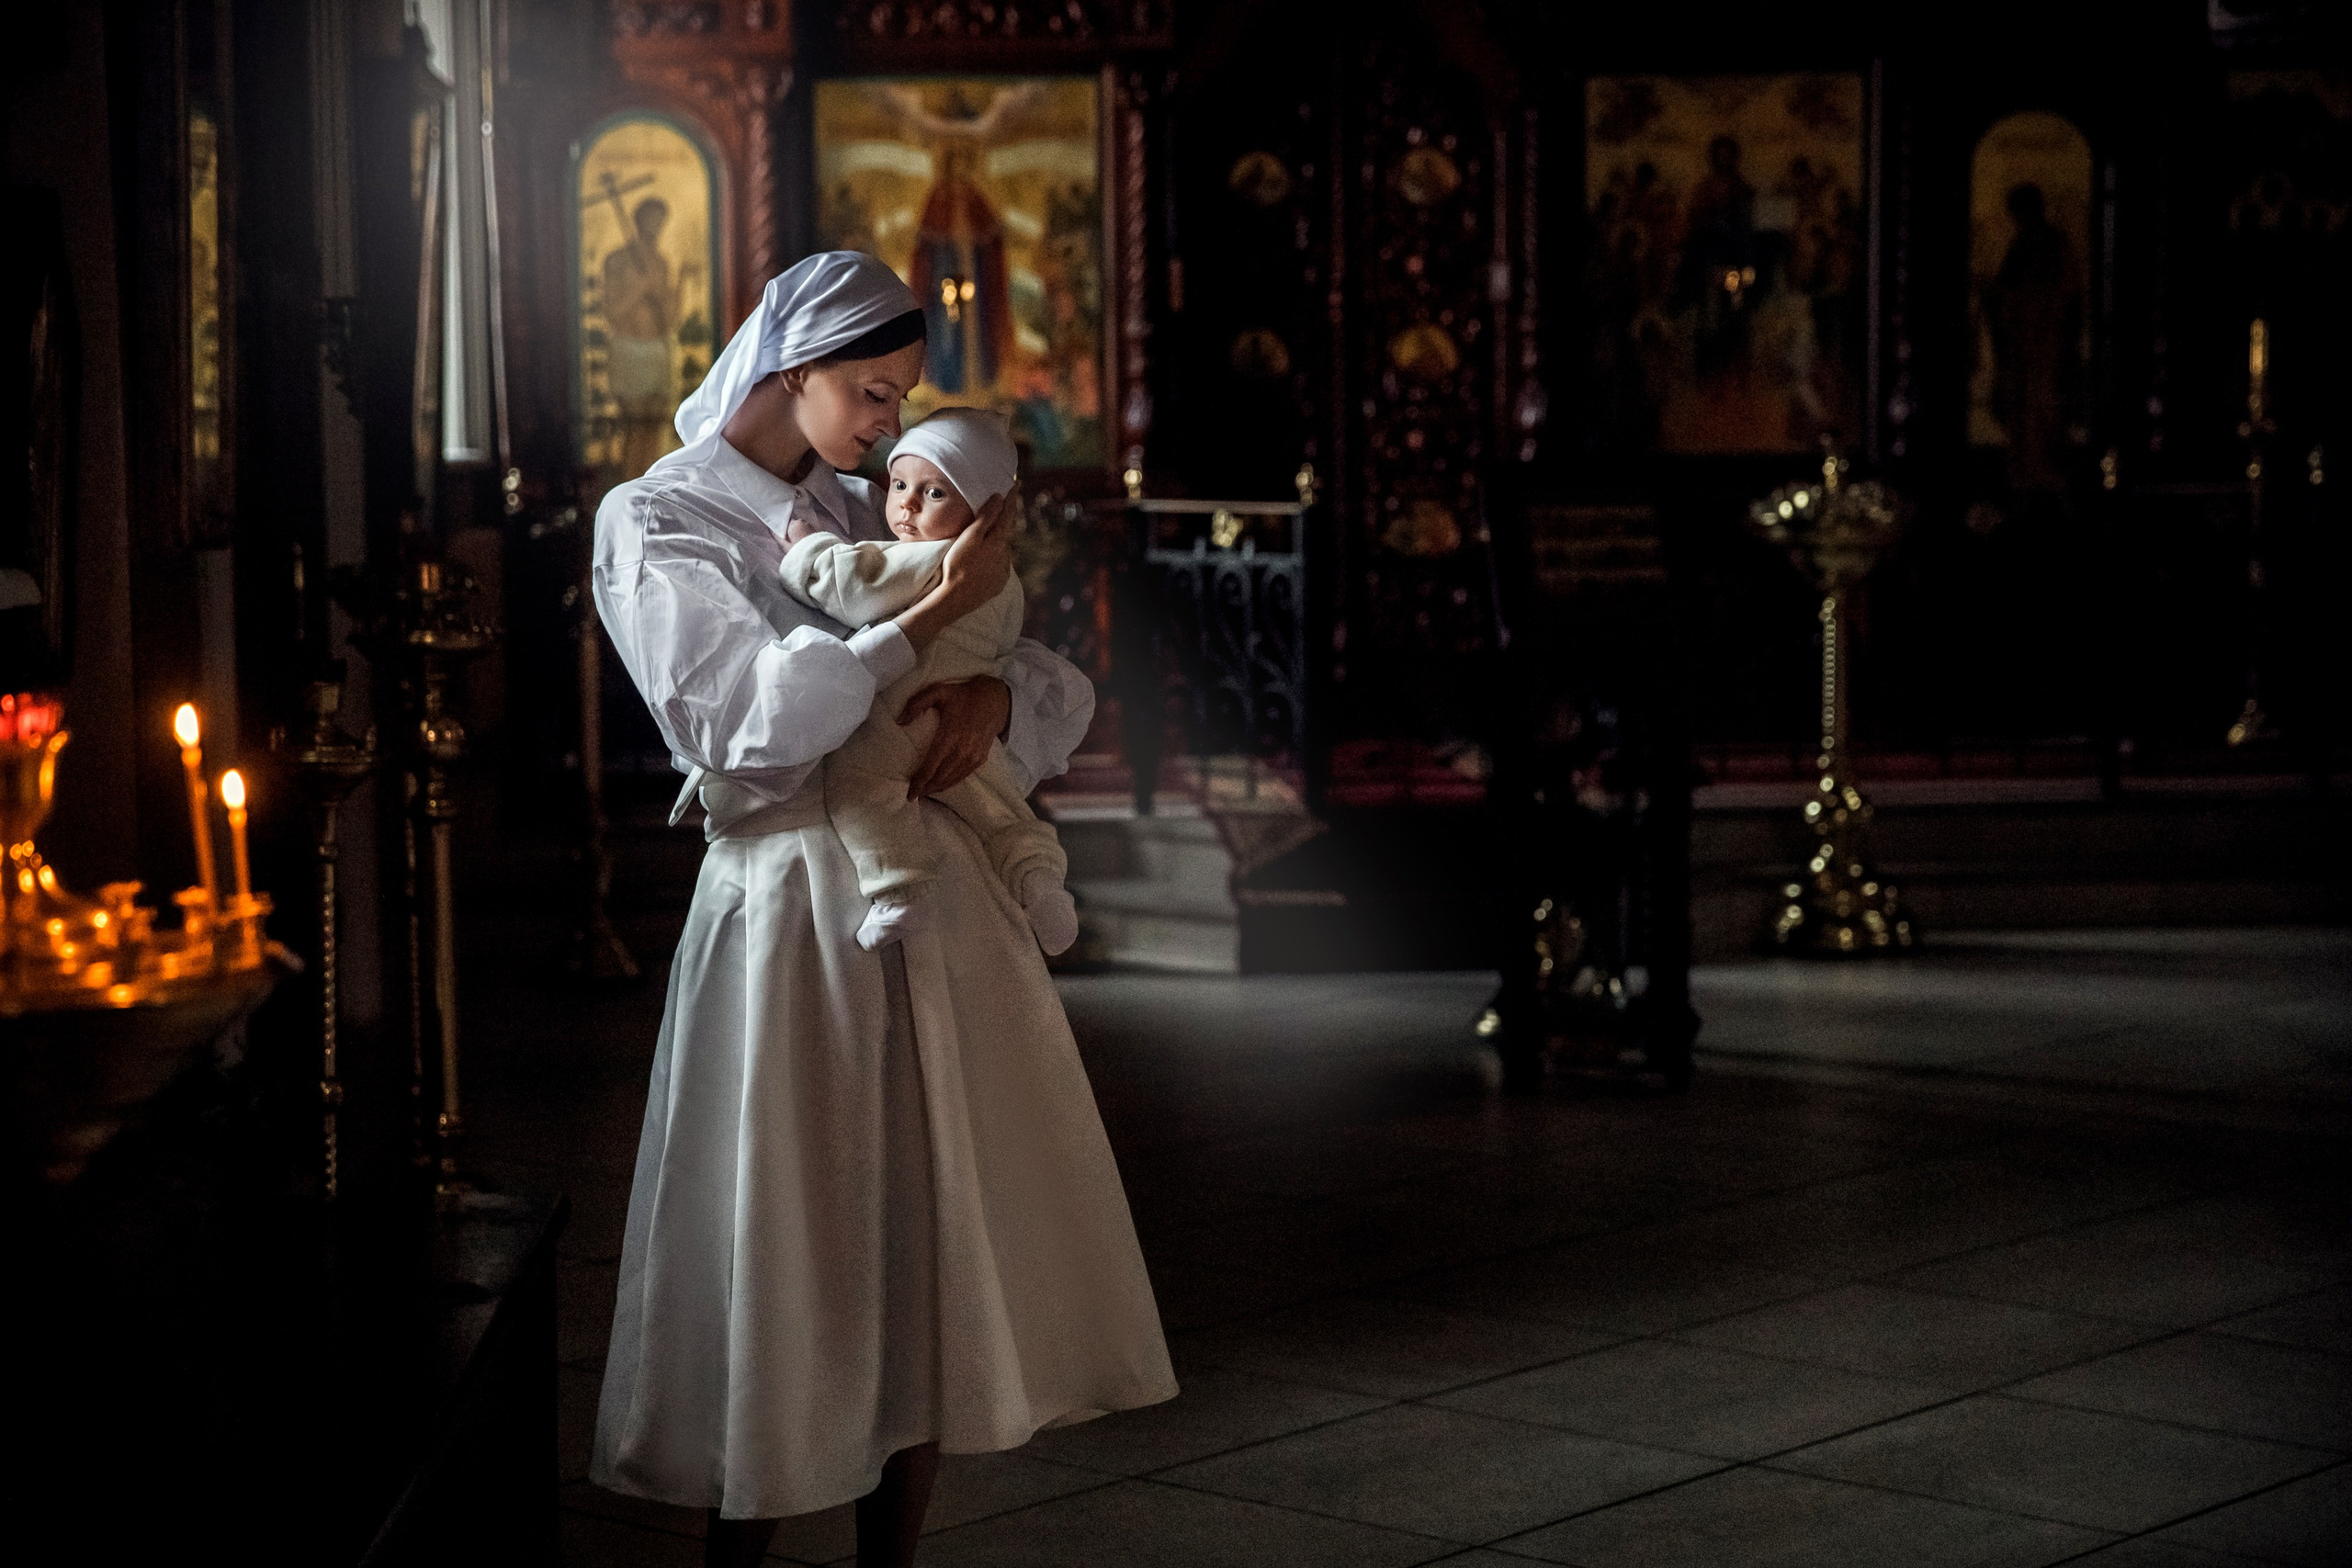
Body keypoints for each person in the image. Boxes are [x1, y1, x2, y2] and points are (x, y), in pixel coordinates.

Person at [589, 251, 1175, 1568]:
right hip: (788, 905)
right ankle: (740, 1539)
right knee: (788, 1219)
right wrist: (930, 630)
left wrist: (986, 699)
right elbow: (751, 725)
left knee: (923, 1225)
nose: (884, 425)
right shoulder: (657, 518)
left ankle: (888, 1555)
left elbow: (1032, 673)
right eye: (867, 389)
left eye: (898, 398)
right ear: (790, 364)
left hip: (933, 901)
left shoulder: (875, 501)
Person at [778, 408, 1080, 956]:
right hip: (968, 729)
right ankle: (1041, 883)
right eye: (898, 485)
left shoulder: (926, 559)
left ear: (982, 511)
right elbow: (1008, 642)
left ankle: (897, 886)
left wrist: (806, 551)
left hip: (903, 717)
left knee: (857, 784)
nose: (907, 504)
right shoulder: (1002, 577)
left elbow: (851, 585)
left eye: (934, 493)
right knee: (1001, 811)